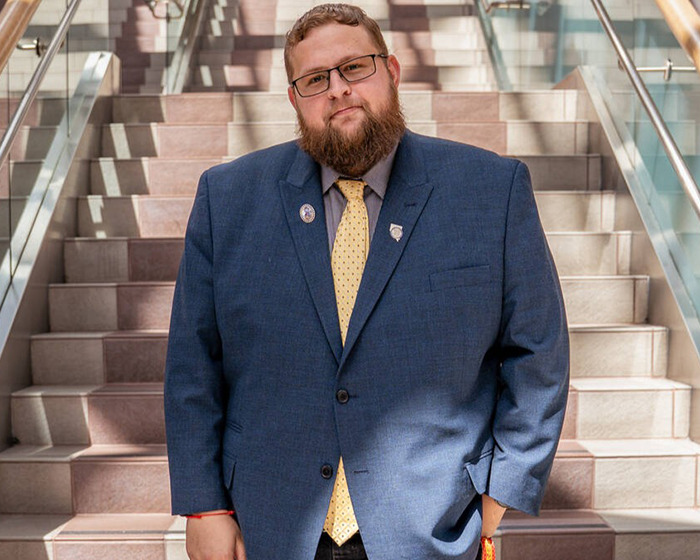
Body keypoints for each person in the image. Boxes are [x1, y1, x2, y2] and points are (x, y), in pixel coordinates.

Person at [164, 4, 570, 560]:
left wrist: (509, 480)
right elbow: (193, 366)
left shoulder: (491, 190)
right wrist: (204, 506)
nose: (338, 90)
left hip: (432, 522)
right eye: (315, 80)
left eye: (355, 67)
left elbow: (538, 348)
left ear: (393, 72)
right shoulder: (226, 198)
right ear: (294, 100)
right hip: (270, 526)